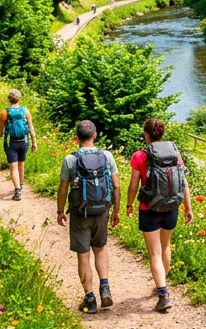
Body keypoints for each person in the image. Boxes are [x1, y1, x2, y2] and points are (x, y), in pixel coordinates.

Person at [126, 118, 192, 313]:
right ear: (162, 134)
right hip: (171, 206)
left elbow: (133, 185)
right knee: (165, 246)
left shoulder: (139, 156)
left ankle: (163, 294)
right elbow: (183, 182)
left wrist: (129, 204)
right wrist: (188, 208)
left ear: (146, 134)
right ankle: (161, 286)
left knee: (154, 253)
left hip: (149, 209)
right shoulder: (174, 153)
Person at [57, 120, 121, 314]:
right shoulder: (107, 156)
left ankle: (90, 298)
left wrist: (60, 211)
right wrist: (116, 211)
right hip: (102, 211)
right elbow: (116, 186)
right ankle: (105, 287)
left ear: (76, 138)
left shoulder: (70, 159)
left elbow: (63, 189)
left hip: (80, 213)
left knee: (83, 256)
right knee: (100, 250)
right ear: (95, 136)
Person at [0, 89, 37, 201]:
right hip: (24, 141)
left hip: (11, 142)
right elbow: (31, 128)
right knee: (21, 164)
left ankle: (17, 190)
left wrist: (0, 133)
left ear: (9, 99)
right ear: (19, 98)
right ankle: (21, 184)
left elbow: (0, 131)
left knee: (13, 167)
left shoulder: (5, 112)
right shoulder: (25, 111)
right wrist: (34, 142)